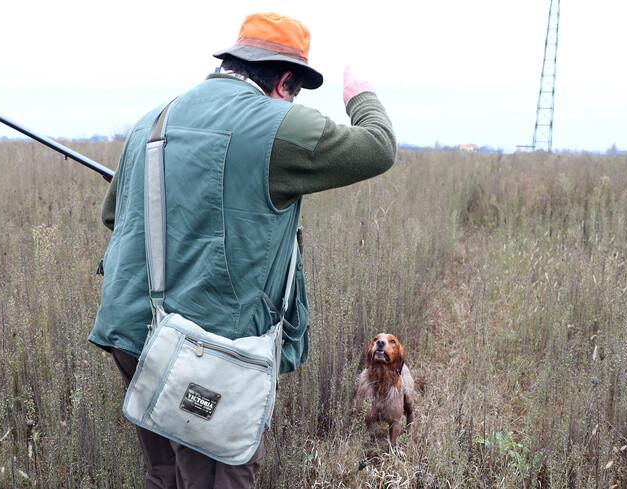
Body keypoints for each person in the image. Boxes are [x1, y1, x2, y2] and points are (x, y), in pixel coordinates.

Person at [89, 12, 396, 489]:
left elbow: (117, 218)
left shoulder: (153, 119)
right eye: (294, 92)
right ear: (285, 82)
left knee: (164, 471)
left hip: (132, 332)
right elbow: (378, 147)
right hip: (208, 351)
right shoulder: (277, 123)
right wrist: (362, 97)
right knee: (223, 474)